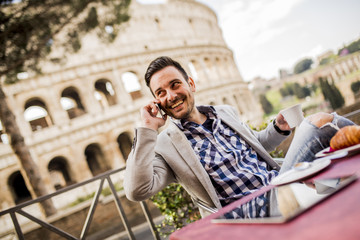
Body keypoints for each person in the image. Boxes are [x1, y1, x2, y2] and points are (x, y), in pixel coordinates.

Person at [124, 56, 355, 217]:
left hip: (280, 181)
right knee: (321, 122)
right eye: (160, 93)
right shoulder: (166, 144)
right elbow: (137, 190)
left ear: (190, 84)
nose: (171, 96)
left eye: (175, 85)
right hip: (249, 211)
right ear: (156, 101)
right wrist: (147, 129)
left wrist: (278, 128)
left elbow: (256, 146)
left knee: (329, 135)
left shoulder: (224, 112)